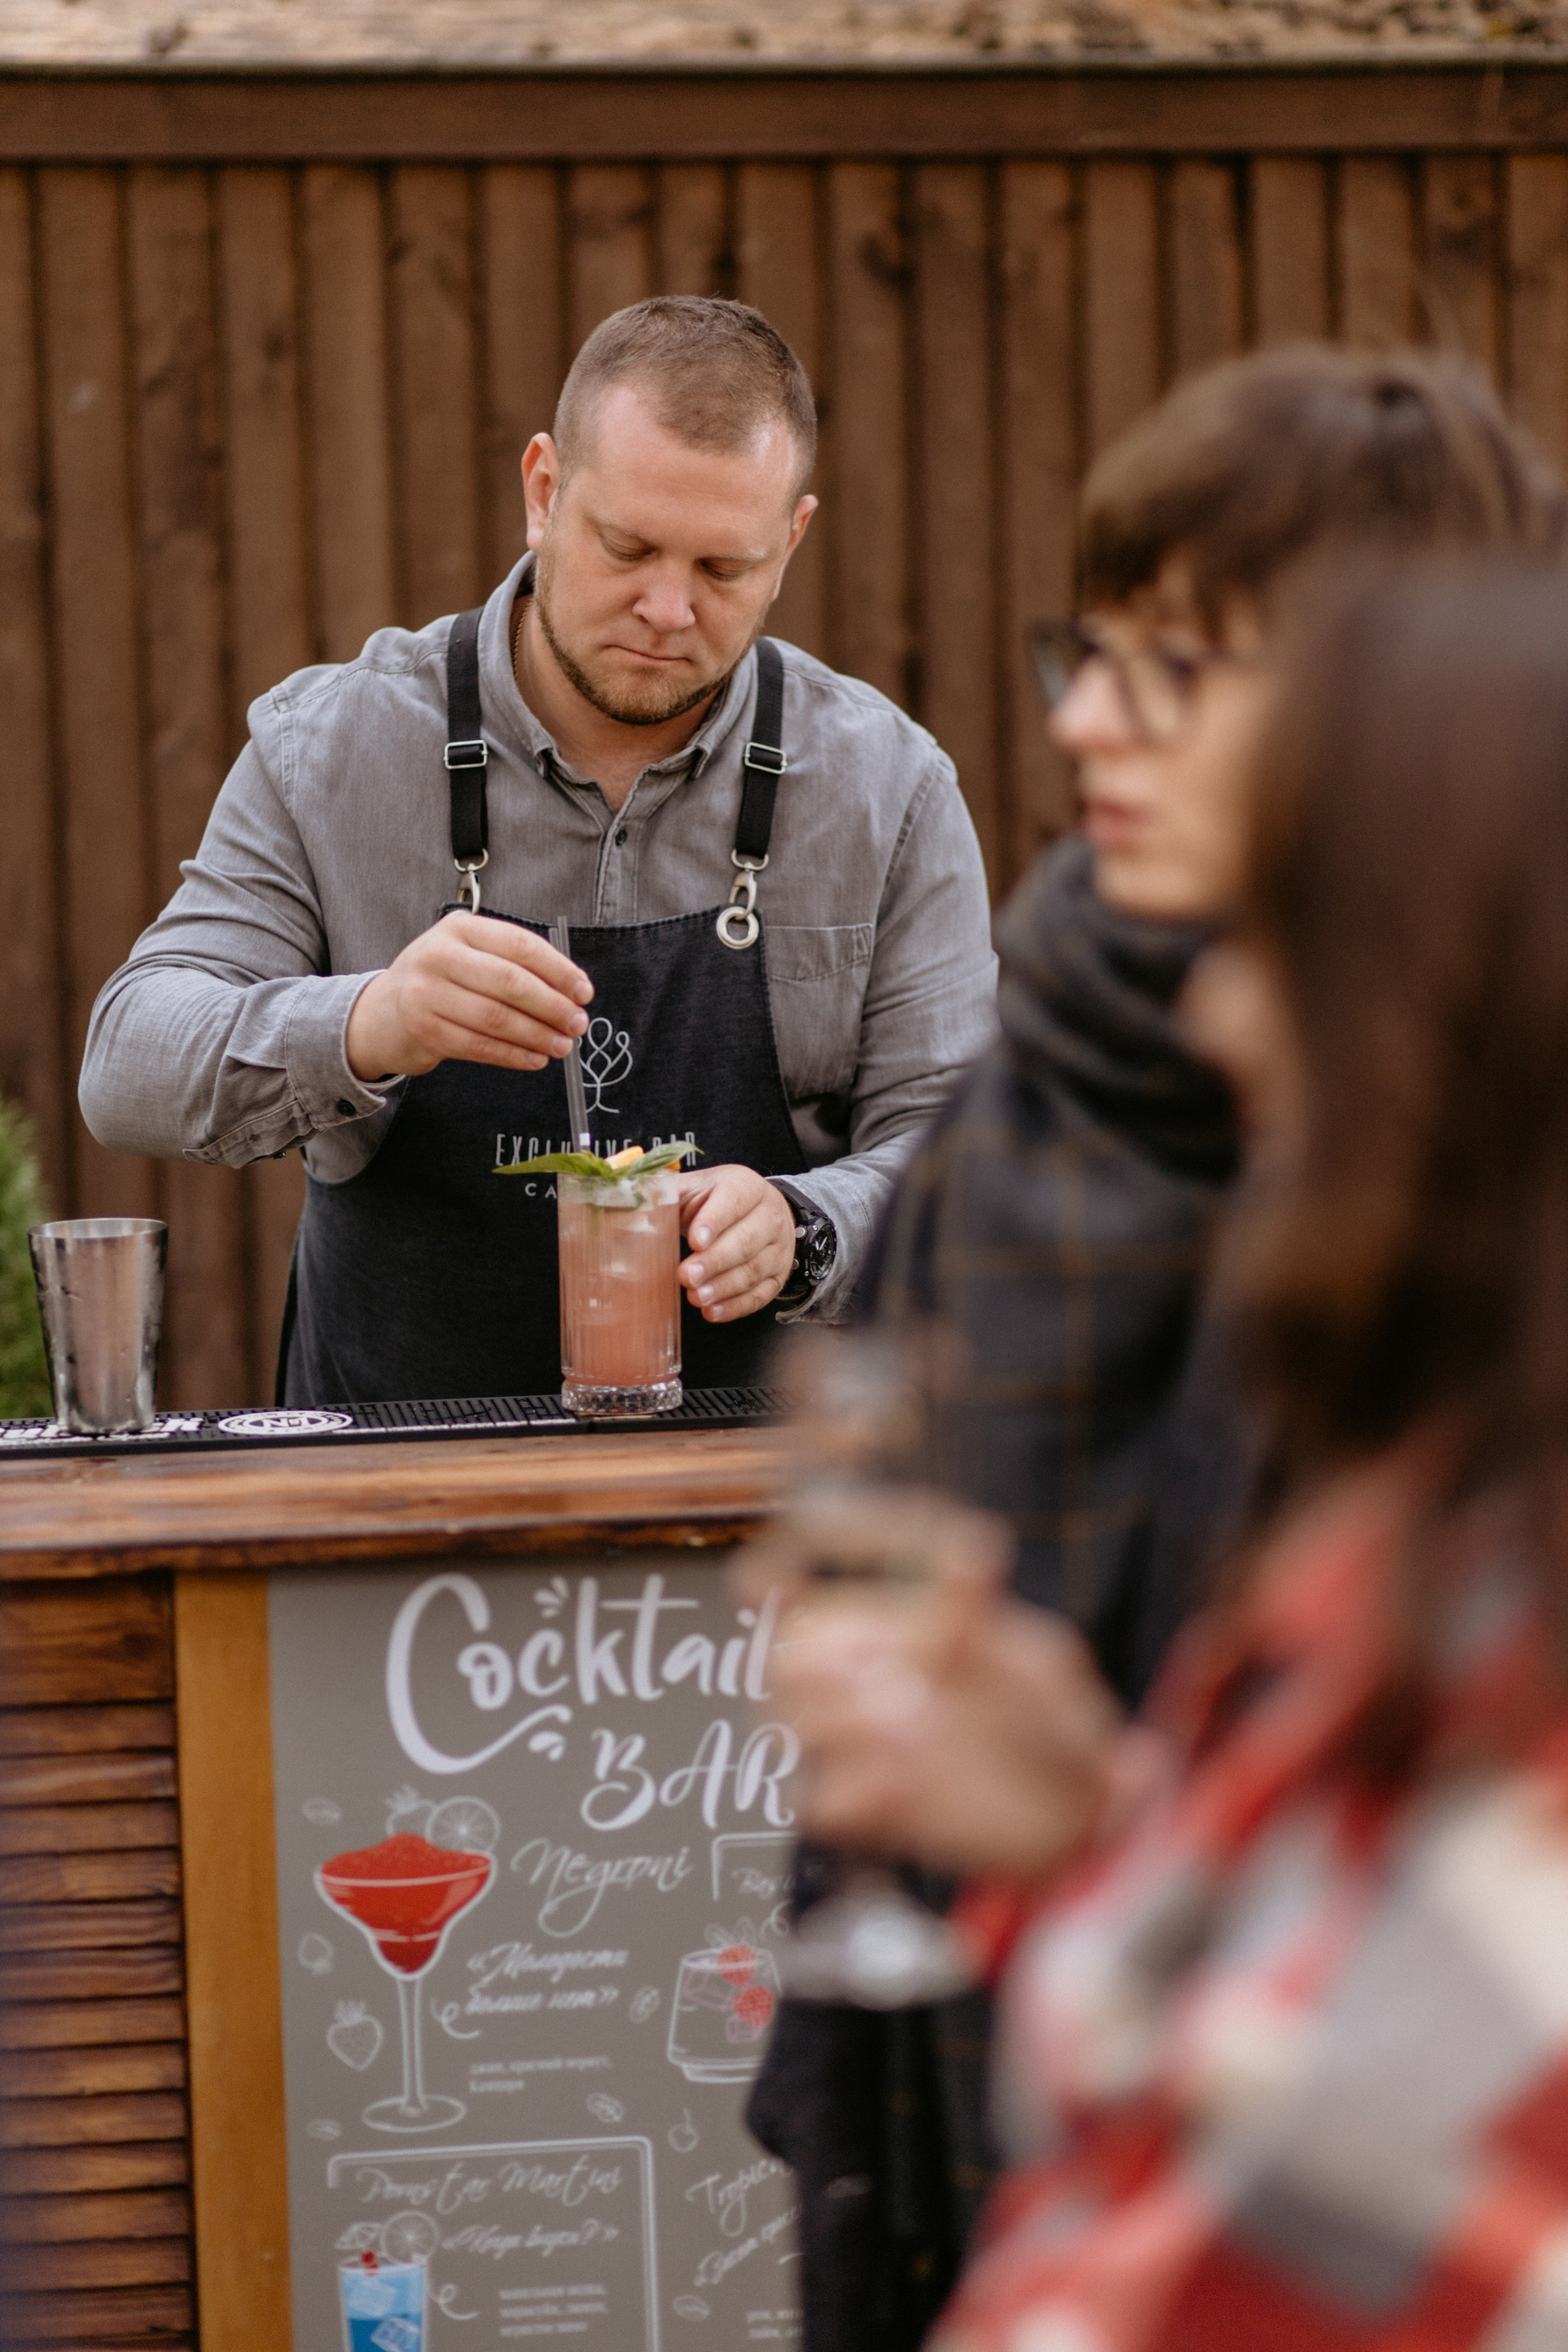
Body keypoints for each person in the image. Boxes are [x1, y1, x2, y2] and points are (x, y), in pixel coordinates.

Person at [746, 345, 1567, 2352]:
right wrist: (1085, 1819)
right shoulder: (1026, 1101)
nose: (1086, 724)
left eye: (1181, 667)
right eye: (1087, 650)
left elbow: (1380, 2127)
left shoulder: (1492, 1498)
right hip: (996, 2092)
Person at [78, 298, 995, 1405]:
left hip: (760, 1513)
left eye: (723, 568)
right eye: (629, 546)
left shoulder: (886, 788)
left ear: (791, 541)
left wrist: (808, 1227)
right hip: (385, 1495)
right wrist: (369, 1024)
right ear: (545, 490)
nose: (667, 607)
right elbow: (126, 1065)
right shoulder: (332, 749)